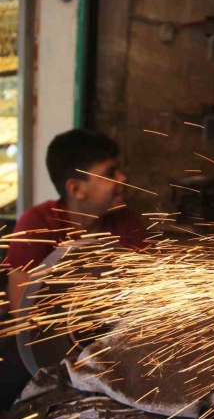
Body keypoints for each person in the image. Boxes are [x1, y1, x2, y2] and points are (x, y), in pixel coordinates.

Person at [3, 129, 146, 314]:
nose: (123, 178)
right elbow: (22, 314)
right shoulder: (36, 225)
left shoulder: (128, 223)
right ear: (76, 189)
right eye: (110, 173)